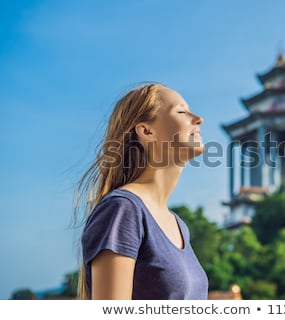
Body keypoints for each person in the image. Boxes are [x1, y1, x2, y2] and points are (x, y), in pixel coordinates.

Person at [74, 83, 208, 299]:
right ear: (147, 131)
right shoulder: (123, 209)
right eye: (182, 111)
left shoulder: (179, 226)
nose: (198, 118)